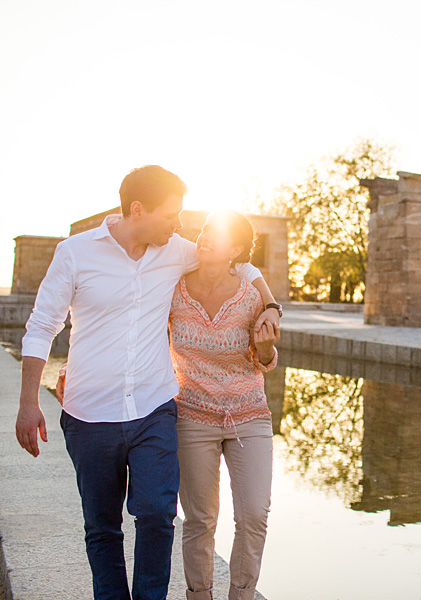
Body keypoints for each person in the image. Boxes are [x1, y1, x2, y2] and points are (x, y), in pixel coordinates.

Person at [15, 166, 281, 600]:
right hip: (88, 412)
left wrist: (270, 304)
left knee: (158, 513)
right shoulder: (74, 253)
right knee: (102, 526)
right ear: (138, 210)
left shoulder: (175, 250)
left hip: (154, 409)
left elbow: (239, 258)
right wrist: (29, 402)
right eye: (171, 215)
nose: (181, 226)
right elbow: (43, 325)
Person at [170, 211, 277, 600]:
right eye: (204, 230)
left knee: (254, 515)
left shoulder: (251, 297)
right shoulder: (174, 290)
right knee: (200, 520)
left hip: (249, 417)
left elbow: (264, 359)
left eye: (217, 234)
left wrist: (266, 348)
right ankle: (199, 595)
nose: (205, 237)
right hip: (192, 417)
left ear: (236, 250)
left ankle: (242, 595)